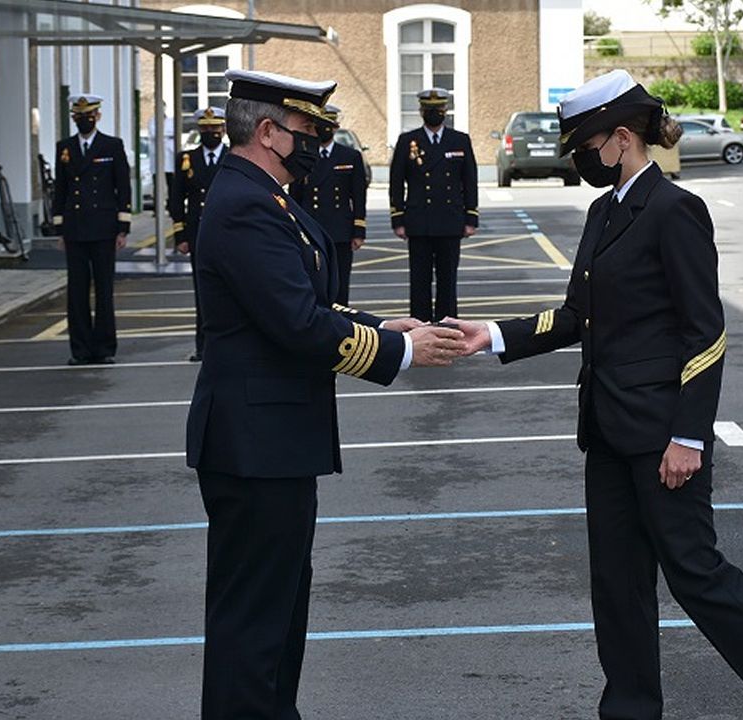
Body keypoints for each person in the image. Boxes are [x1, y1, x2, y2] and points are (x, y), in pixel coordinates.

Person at [449, 70, 743, 720]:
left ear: (620, 138)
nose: (580, 157)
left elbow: (706, 332)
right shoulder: (602, 210)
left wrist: (689, 436)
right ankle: (631, 709)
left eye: (587, 144)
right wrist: (492, 335)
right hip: (608, 433)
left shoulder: (674, 210)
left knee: (699, 578)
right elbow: (577, 314)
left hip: (664, 437)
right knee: (617, 586)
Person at [184, 68, 465, 720]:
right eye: (308, 131)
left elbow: (297, 301)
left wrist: (373, 325)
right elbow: (296, 324)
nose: (318, 142)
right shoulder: (246, 203)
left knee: (276, 614)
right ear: (267, 131)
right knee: (254, 625)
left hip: (271, 444)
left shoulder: (261, 195)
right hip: (256, 447)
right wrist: (400, 351)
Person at [51, 94, 131, 365]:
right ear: (73, 118)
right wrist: (59, 229)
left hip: (104, 228)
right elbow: (59, 190)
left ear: (97, 116)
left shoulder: (112, 145)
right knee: (77, 292)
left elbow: (123, 187)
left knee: (104, 291)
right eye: (78, 117)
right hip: (75, 229)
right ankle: (80, 350)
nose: (83, 120)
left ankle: (105, 348)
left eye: (88, 116)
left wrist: (123, 228)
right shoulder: (65, 147)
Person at [389, 88, 478, 321]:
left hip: (450, 221)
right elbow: (396, 183)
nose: (434, 114)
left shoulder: (459, 140)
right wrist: (397, 218)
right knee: (419, 280)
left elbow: (469, 181)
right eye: (429, 110)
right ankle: (419, 326)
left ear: (445, 111)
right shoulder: (407, 141)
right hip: (419, 221)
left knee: (448, 280)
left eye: (438, 110)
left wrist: (471, 217)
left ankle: (447, 326)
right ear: (421, 112)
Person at [289, 104, 368, 305]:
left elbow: (358, 195)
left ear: (335, 127)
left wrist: (358, 230)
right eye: (319, 125)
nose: (323, 129)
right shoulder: (304, 155)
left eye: (328, 125)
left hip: (340, 229)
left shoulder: (350, 156)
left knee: (340, 285)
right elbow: (295, 197)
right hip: (311, 228)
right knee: (314, 284)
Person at [170, 106, 229, 362]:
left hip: (230, 235)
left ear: (223, 130)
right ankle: (204, 347)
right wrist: (180, 235)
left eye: (214, 129)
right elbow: (176, 200)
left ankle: (230, 345)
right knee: (203, 293)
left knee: (233, 292)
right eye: (205, 129)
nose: (210, 133)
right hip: (199, 235)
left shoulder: (233, 157)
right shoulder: (187, 159)